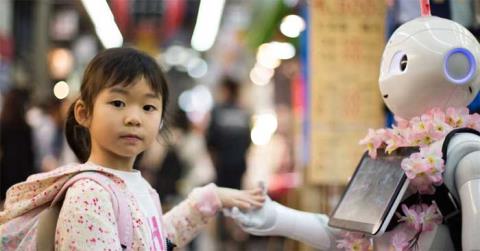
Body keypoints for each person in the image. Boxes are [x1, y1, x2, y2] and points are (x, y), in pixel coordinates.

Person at [0, 47, 264, 250]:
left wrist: (212, 198)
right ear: (83, 112)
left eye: (148, 107)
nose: (134, 118)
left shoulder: (139, 187)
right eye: (118, 103)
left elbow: (155, 239)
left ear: (160, 120)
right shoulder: (89, 194)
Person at [0, 88, 35, 203]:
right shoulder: (26, 128)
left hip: (5, 171)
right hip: (22, 172)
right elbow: (30, 154)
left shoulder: (3, 126)